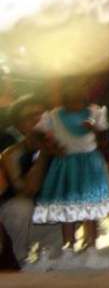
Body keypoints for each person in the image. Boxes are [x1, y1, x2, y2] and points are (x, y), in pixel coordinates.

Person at [32, 83, 109, 269]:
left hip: (90, 166)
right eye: (70, 95)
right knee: (67, 206)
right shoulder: (53, 116)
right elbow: (37, 134)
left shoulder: (94, 112)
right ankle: (68, 246)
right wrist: (50, 147)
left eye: (78, 94)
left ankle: (91, 245)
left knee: (90, 207)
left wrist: (95, 129)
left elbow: (105, 139)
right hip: (66, 166)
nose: (75, 99)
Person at [0, 95, 61, 270]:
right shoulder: (12, 154)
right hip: (25, 219)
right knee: (20, 207)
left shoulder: (67, 146)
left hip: (55, 217)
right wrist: (43, 153)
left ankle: (57, 259)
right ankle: (21, 260)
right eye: (29, 117)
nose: (36, 120)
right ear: (19, 126)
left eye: (41, 114)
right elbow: (27, 191)